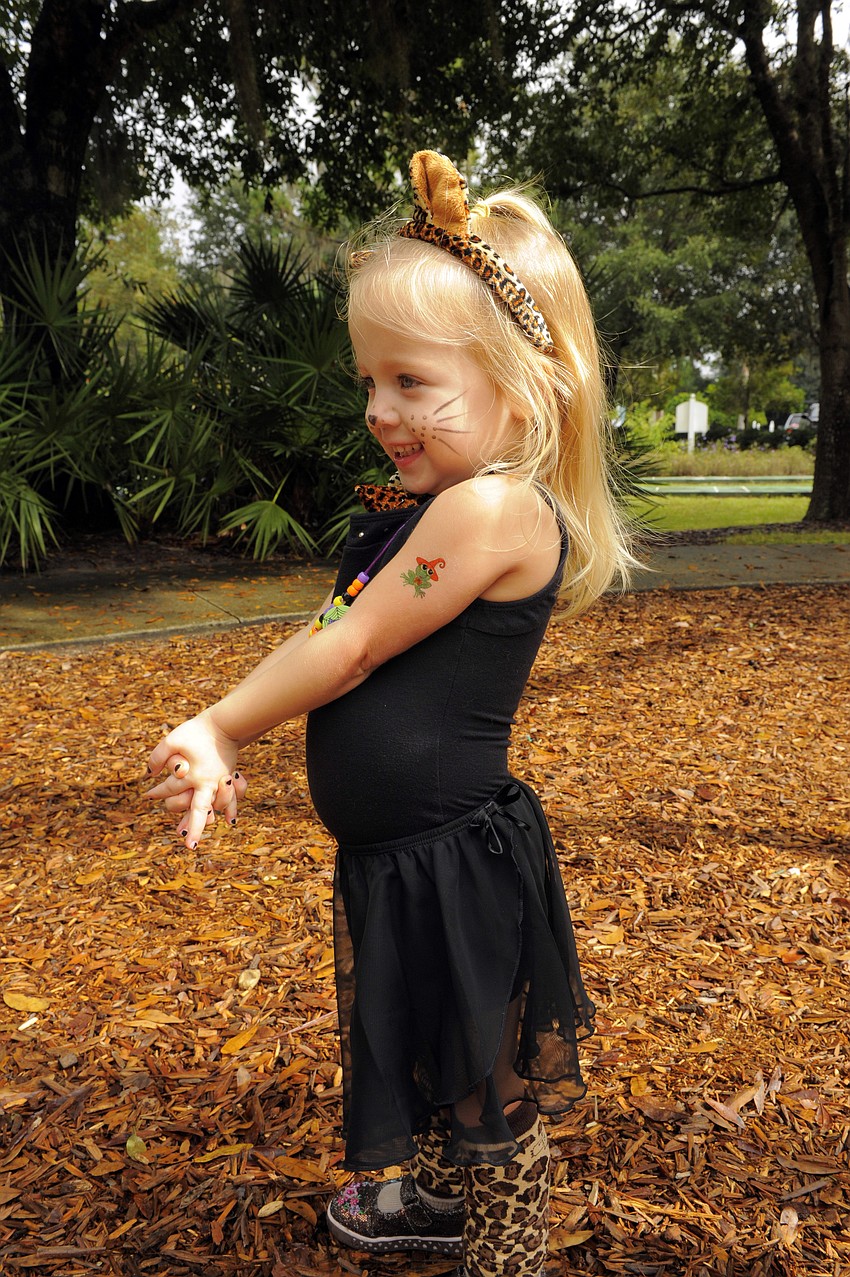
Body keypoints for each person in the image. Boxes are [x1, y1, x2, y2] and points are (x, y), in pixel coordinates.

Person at [146, 150, 636, 1277]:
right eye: (370, 381)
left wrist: (222, 725)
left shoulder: (495, 509)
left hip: (453, 858)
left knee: (482, 1075)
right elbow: (336, 643)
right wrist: (232, 723)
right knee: (417, 1035)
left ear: (524, 383)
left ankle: (506, 1251)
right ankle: (424, 1197)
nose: (378, 410)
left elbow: (353, 642)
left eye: (413, 383)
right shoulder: (438, 507)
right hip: (400, 853)